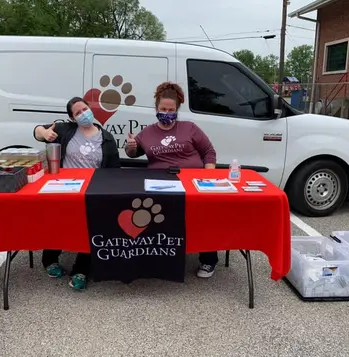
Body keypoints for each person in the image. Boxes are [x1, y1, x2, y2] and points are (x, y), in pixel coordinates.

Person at [125, 82, 219, 278]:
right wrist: (131, 146)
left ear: (177, 110)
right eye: (163, 109)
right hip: (159, 184)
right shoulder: (148, 133)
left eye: (171, 110)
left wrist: (208, 176)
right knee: (157, 219)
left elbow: (209, 152)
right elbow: (133, 153)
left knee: (203, 218)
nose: (166, 113)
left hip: (192, 182)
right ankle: (161, 255)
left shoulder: (190, 128)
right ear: (156, 108)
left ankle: (208, 259)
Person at [33, 96, 120, 290]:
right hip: (65, 187)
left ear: (90, 108)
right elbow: (37, 131)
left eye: (84, 109)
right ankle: (50, 259)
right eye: (77, 113)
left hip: (92, 190)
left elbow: (114, 169)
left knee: (91, 227)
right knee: (58, 223)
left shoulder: (106, 138)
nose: (83, 114)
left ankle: (81, 269)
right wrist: (45, 133)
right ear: (72, 118)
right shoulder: (65, 130)